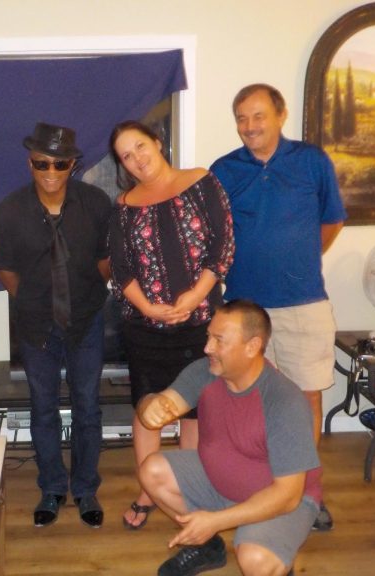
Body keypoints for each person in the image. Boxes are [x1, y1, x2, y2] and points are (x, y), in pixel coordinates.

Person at [210, 84, 346, 531]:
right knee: (248, 402)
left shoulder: (311, 161)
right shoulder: (224, 170)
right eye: (241, 118)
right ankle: (257, 488)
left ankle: (307, 494)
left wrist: (298, 258)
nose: (249, 126)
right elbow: (213, 233)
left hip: (303, 304)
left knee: (305, 400)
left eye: (258, 116)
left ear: (280, 115)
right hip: (244, 309)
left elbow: (332, 221)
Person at [108, 120, 234, 530]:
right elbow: (121, 269)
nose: (137, 159)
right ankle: (148, 489)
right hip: (145, 328)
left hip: (201, 324)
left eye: (140, 147)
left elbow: (223, 245)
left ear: (158, 142)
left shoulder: (200, 182)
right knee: (148, 408)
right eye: (126, 156)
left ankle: (187, 486)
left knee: (194, 411)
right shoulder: (123, 206)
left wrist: (195, 297)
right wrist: (149, 308)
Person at [138, 300, 321, 576]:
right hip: (220, 482)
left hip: (278, 500)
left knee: (256, 560)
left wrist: (215, 521)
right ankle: (208, 547)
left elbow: (288, 496)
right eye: (209, 336)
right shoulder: (205, 371)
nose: (207, 347)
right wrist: (148, 406)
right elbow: (164, 403)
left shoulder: (284, 400)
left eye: (219, 340)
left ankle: (276, 553)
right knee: (152, 471)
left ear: (252, 346)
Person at [0, 122, 111, 528]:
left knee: (87, 407)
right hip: (36, 324)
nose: (51, 171)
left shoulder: (96, 204)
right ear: (30, 163)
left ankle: (86, 489)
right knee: (43, 408)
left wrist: (85, 292)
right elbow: (4, 268)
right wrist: (33, 299)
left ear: (73, 165)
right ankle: (52, 489)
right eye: (42, 163)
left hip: (86, 320)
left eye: (60, 164)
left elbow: (105, 261)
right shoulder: (10, 210)